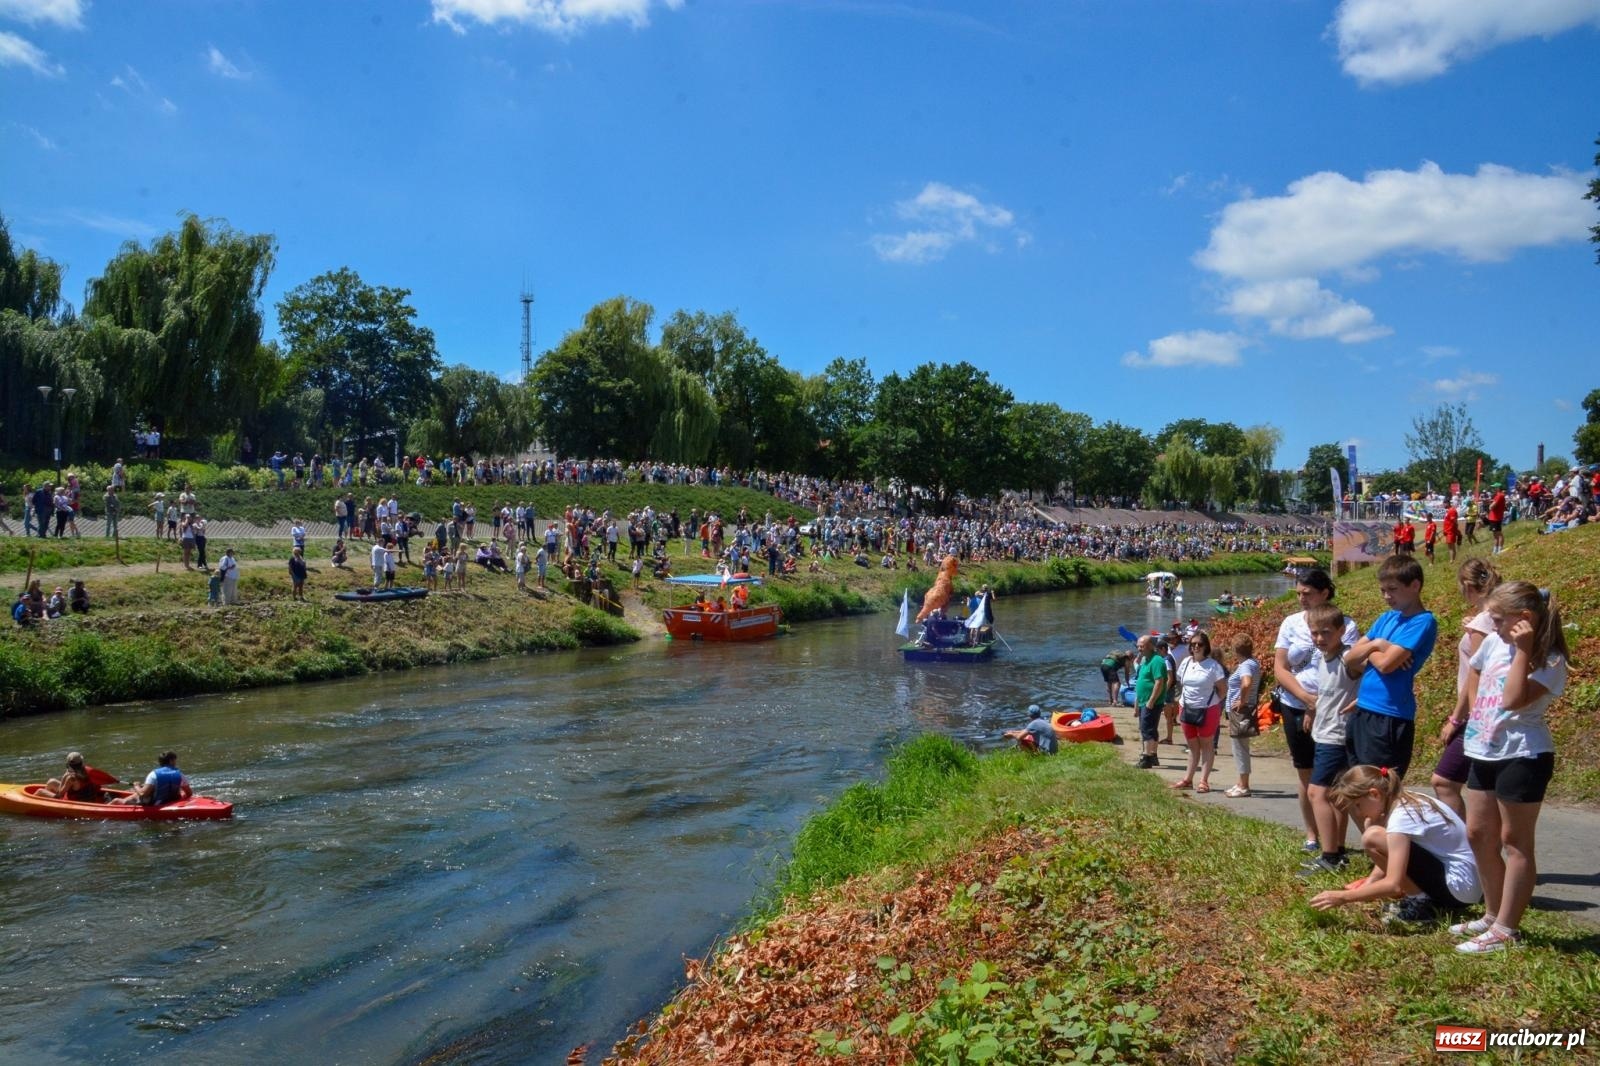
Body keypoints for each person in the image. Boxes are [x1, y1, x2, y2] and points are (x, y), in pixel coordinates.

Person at [1455, 581, 1568, 954]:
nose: (1493, 626)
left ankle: (1507, 928)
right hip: (1484, 749)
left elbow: (1514, 699)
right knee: (1477, 833)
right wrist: (1475, 715)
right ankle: (1491, 914)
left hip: (1523, 753)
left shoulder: (1549, 659)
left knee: (1514, 843)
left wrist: (1522, 650)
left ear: (1525, 619)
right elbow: (1474, 668)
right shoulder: (1492, 643)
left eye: (1499, 620)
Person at [1309, 765, 1482, 926]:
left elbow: (1393, 884)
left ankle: (1421, 904)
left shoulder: (1402, 816)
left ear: (1374, 794)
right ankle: (1421, 898)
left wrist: (1343, 897)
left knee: (1372, 836)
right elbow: (1392, 854)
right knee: (1373, 834)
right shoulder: (1407, 799)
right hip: (1467, 886)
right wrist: (1372, 881)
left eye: (1358, 805)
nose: (1359, 813)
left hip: (1460, 891)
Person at [1273, 568, 1362, 855]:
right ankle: (1312, 834)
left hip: (1334, 710)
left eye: (1307, 593)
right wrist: (1305, 697)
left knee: (1336, 778)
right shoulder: (1290, 623)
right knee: (1306, 773)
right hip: (1296, 704)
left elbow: (1350, 669)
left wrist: (1320, 703)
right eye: (1298, 593)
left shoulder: (1344, 624)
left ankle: (1335, 841)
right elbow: (1280, 668)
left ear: (1325, 593)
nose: (1301, 599)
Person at [1343, 555, 1437, 780]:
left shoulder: (1422, 622)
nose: (1387, 596)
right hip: (1364, 709)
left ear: (1415, 586)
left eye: (1392, 589)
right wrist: (1379, 645)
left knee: (1378, 788)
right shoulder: (1387, 618)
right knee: (1356, 786)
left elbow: (1386, 665)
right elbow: (1349, 657)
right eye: (1383, 590)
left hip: (1388, 715)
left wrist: (1369, 650)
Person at [1431, 558, 1500, 817]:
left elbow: (1476, 673)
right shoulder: (1491, 618)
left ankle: (1462, 845)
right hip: (1484, 711)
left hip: (1474, 713)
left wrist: (1456, 718)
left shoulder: (1483, 623)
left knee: (1444, 781)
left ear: (1468, 586)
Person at [1298, 603, 1363, 877]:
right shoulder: (1322, 658)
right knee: (1339, 798)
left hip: (1337, 736)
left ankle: (1330, 856)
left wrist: (1363, 699)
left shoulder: (1349, 658)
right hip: (1323, 731)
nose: (1320, 639)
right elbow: (1327, 693)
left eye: (1326, 632)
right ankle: (1339, 849)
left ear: (1342, 630)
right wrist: (1311, 710)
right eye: (1314, 633)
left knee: (1317, 793)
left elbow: (1379, 670)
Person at [1169, 630, 1227, 793]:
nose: (1195, 647)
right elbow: (1182, 683)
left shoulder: (1213, 666)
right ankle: (1188, 779)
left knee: (1207, 745)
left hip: (1208, 710)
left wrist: (1211, 702)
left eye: (1199, 644)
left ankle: (1204, 781)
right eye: (1193, 644)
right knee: (1192, 746)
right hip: (1187, 708)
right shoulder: (1186, 662)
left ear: (1206, 647)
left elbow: (1223, 690)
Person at [1222, 634, 1260, 798]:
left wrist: (1242, 701)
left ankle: (1244, 785)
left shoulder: (1245, 665)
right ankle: (1241, 782)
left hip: (1241, 712)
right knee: (1240, 746)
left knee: (1239, 748)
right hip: (1244, 710)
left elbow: (1246, 682)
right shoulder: (1253, 663)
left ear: (1236, 650)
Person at [111, 751, 192, 807]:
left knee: (116, 800)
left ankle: (113, 804)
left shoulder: (153, 774)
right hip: (172, 801)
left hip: (154, 804)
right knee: (134, 793)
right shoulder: (179, 774)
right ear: (171, 761)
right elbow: (189, 793)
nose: (175, 762)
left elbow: (143, 794)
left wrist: (136, 786)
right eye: (175, 760)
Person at [40, 752, 106, 803]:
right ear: (81, 762)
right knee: (51, 782)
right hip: (87, 798)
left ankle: (43, 804)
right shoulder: (88, 772)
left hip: (75, 802)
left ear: (69, 764)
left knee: (40, 791)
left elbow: (60, 794)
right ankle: (48, 802)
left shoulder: (71, 778)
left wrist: (65, 776)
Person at [1486, 482, 1507, 555]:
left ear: (1498, 488)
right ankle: (1495, 550)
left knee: (1498, 534)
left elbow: (1491, 507)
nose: (1493, 489)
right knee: (1495, 535)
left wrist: (1490, 504)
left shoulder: (1499, 495)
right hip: (1494, 517)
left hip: (1496, 518)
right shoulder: (1497, 496)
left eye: (1494, 488)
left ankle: (1499, 550)